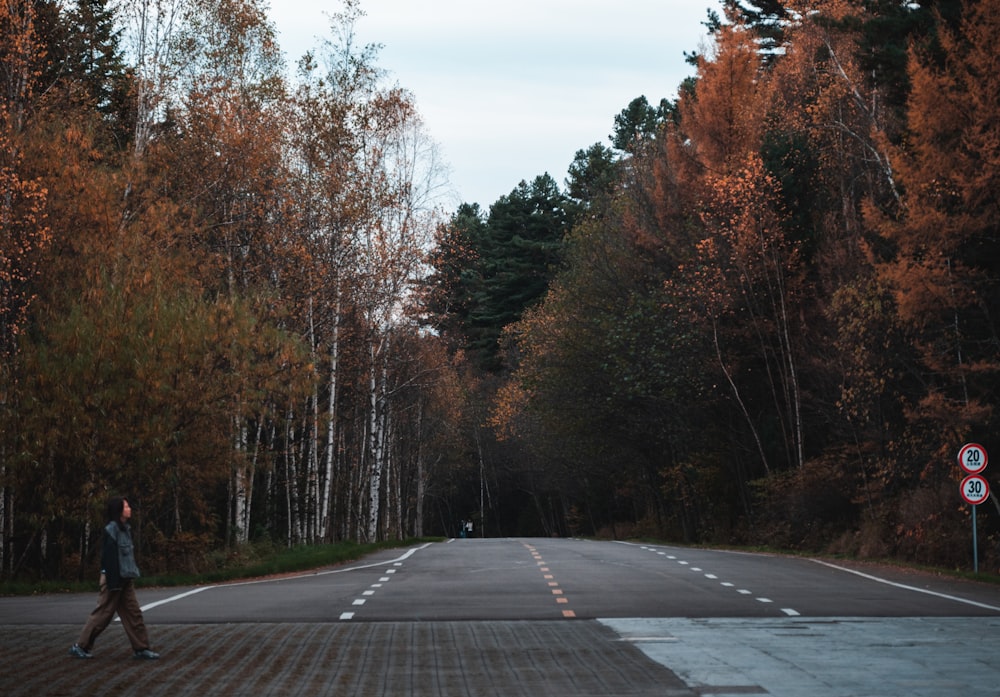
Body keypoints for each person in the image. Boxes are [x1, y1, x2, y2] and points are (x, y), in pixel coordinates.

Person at [69, 496, 160, 660]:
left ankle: (141, 648)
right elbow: (109, 558)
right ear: (119, 511)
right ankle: (80, 646)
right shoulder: (111, 530)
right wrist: (113, 583)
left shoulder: (126, 529)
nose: (129, 508)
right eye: (126, 506)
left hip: (126, 579)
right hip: (114, 580)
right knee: (103, 615)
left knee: (134, 614)